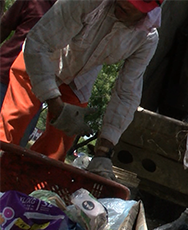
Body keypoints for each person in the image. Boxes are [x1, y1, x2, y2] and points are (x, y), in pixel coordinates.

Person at [0, 0, 162, 180]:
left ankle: (26, 198)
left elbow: (126, 94)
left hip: (78, 82)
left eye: (135, 4)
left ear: (151, 10)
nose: (126, 3)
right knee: (11, 129)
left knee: (53, 157)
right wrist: (56, 105)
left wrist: (104, 150)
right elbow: (38, 43)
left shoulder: (147, 39)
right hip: (38, 61)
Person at [0, 0, 57, 147]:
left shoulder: (76, 14)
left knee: (12, 146)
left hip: (32, 91)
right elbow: (5, 26)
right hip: (3, 74)